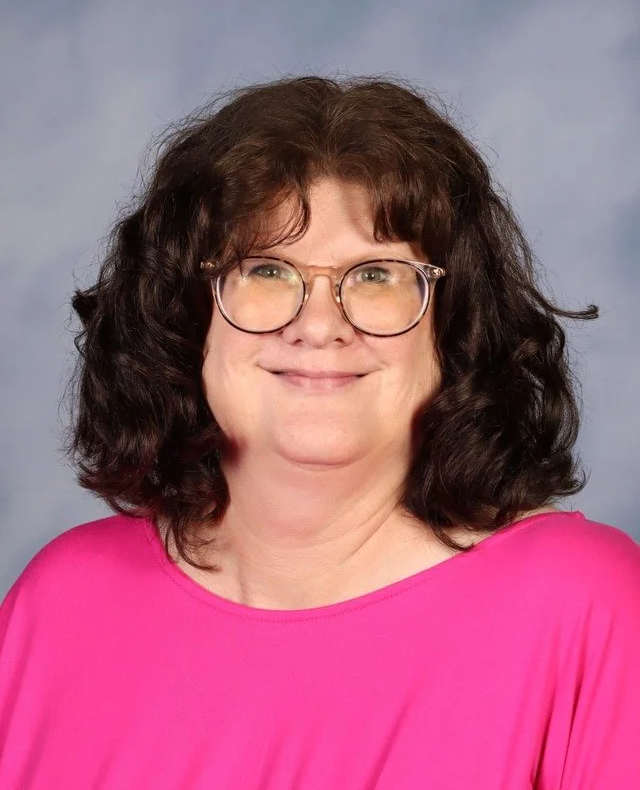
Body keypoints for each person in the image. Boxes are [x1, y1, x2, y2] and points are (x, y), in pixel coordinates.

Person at [1, 75, 638, 789]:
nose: (319, 324)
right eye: (267, 269)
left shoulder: (583, 605)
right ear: (185, 312)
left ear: (454, 324)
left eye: (376, 274)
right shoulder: (61, 602)